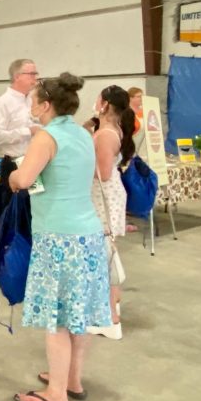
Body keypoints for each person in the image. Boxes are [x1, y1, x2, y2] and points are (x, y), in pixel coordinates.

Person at [9, 73, 111, 401]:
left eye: (34, 100)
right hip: (88, 235)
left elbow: (23, 179)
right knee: (76, 315)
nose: (31, 106)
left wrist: (12, 175)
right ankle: (72, 379)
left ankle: (56, 393)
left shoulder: (46, 137)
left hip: (58, 238)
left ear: (46, 105)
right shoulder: (83, 133)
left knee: (56, 319)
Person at [86, 86, 135, 340]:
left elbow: (101, 173)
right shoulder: (106, 129)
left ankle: (109, 315)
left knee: (104, 254)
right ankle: (109, 308)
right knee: (106, 253)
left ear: (104, 104)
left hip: (102, 197)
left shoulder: (105, 134)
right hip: (106, 195)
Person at [0, 59, 40, 205]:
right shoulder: (3, 103)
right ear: (17, 76)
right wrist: (27, 131)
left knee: (33, 208)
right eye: (31, 74)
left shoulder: (33, 100)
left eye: (36, 74)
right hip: (14, 164)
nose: (35, 78)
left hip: (35, 163)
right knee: (15, 211)